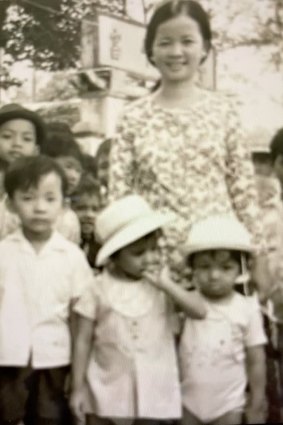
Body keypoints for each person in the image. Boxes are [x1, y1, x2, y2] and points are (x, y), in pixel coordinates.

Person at [107, 0, 269, 296]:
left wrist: (258, 257)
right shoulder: (132, 116)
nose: (176, 52)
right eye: (165, 42)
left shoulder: (224, 111)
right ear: (151, 50)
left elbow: (243, 191)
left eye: (187, 41)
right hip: (155, 267)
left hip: (216, 262)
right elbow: (120, 195)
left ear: (205, 48)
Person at [70, 194, 206, 425]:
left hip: (155, 390)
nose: (150, 258)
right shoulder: (97, 288)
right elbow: (82, 340)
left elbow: (199, 311)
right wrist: (77, 388)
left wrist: (167, 285)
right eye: (138, 253)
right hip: (107, 389)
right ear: (115, 256)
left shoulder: (162, 286)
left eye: (154, 250)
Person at [0, 155, 94, 425]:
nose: (39, 208)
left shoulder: (72, 256)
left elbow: (80, 320)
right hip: (7, 361)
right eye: (28, 198)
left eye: (49, 198)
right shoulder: (3, 254)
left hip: (54, 361)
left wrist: (77, 381)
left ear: (64, 205)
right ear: (10, 204)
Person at [178, 214, 267, 425]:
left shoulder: (246, 308)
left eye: (225, 267)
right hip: (188, 400)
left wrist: (257, 399)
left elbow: (256, 359)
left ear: (241, 269)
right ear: (193, 268)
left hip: (229, 403)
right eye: (205, 267)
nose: (214, 275)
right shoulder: (187, 303)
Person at [71, 175, 101, 270]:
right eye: (81, 208)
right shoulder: (63, 240)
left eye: (95, 209)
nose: (89, 215)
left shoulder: (100, 242)